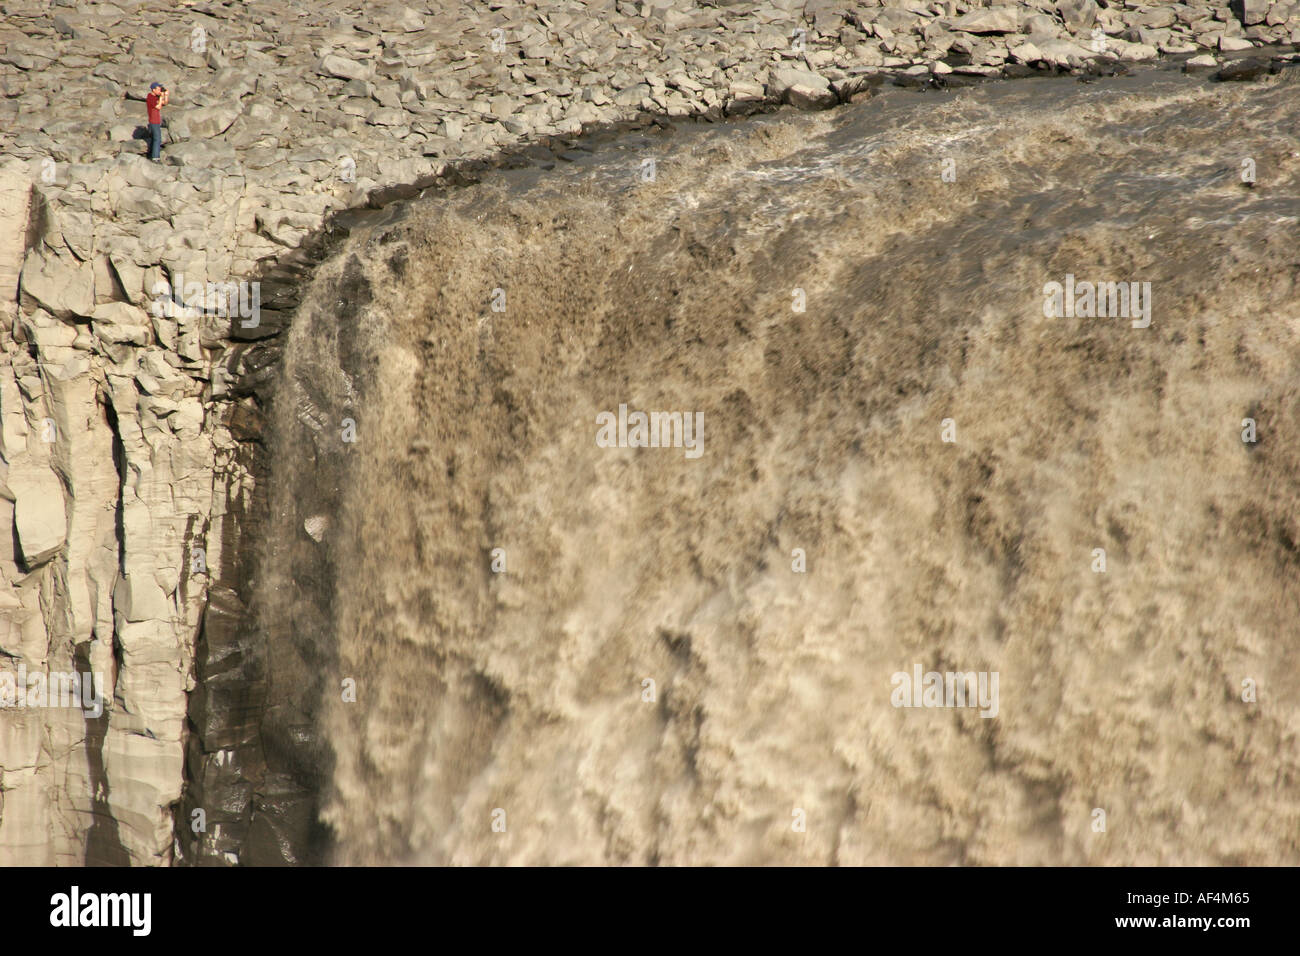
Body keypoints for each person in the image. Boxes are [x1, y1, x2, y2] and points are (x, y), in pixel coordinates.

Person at [145, 82, 169, 161]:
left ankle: (151, 154)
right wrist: (161, 97)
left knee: (154, 139)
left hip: (157, 121)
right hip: (153, 121)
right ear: (153, 89)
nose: (159, 91)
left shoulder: (156, 97)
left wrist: (166, 95)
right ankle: (155, 157)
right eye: (158, 89)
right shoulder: (150, 97)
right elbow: (158, 107)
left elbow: (164, 103)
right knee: (157, 139)